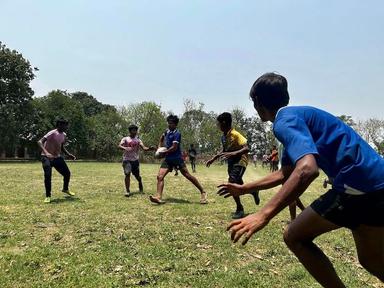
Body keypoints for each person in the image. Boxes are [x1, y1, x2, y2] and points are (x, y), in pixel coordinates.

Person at [217, 72, 384, 287]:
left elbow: (307, 169)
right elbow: (286, 172)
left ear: (258, 102)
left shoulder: (284, 121)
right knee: (371, 261)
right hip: (376, 185)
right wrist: (245, 188)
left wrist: (263, 215)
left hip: (357, 186)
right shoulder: (297, 117)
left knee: (294, 236)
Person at [206, 112, 260, 219]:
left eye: (219, 124)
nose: (218, 126)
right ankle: (253, 191)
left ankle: (239, 209)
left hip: (240, 162)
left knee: (231, 183)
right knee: (239, 186)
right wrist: (214, 158)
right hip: (231, 163)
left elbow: (246, 148)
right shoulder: (224, 137)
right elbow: (224, 150)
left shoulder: (236, 134)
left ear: (224, 123)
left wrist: (233, 153)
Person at [149, 115, 208, 204]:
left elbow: (174, 147)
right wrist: (159, 148)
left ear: (175, 124)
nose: (169, 125)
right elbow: (161, 138)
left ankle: (203, 192)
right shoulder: (166, 131)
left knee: (187, 175)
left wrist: (164, 153)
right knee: (160, 177)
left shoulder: (177, 134)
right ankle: (158, 197)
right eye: (168, 123)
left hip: (177, 158)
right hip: (168, 159)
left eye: (171, 123)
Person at [37, 118, 76, 203]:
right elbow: (40, 142)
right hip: (46, 157)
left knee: (67, 173)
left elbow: (62, 147)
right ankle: (48, 196)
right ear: (59, 125)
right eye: (65, 125)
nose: (67, 127)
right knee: (48, 176)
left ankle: (65, 189)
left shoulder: (64, 135)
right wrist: (46, 153)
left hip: (57, 157)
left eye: (67, 125)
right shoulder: (52, 133)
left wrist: (68, 154)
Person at [118, 124, 153, 197]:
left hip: (135, 160)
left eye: (136, 130)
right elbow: (119, 146)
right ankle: (127, 191)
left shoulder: (138, 140)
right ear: (130, 131)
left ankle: (140, 182)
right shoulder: (125, 139)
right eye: (133, 130)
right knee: (127, 173)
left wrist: (150, 148)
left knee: (137, 176)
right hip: (126, 160)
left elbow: (144, 148)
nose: (135, 132)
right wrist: (125, 148)